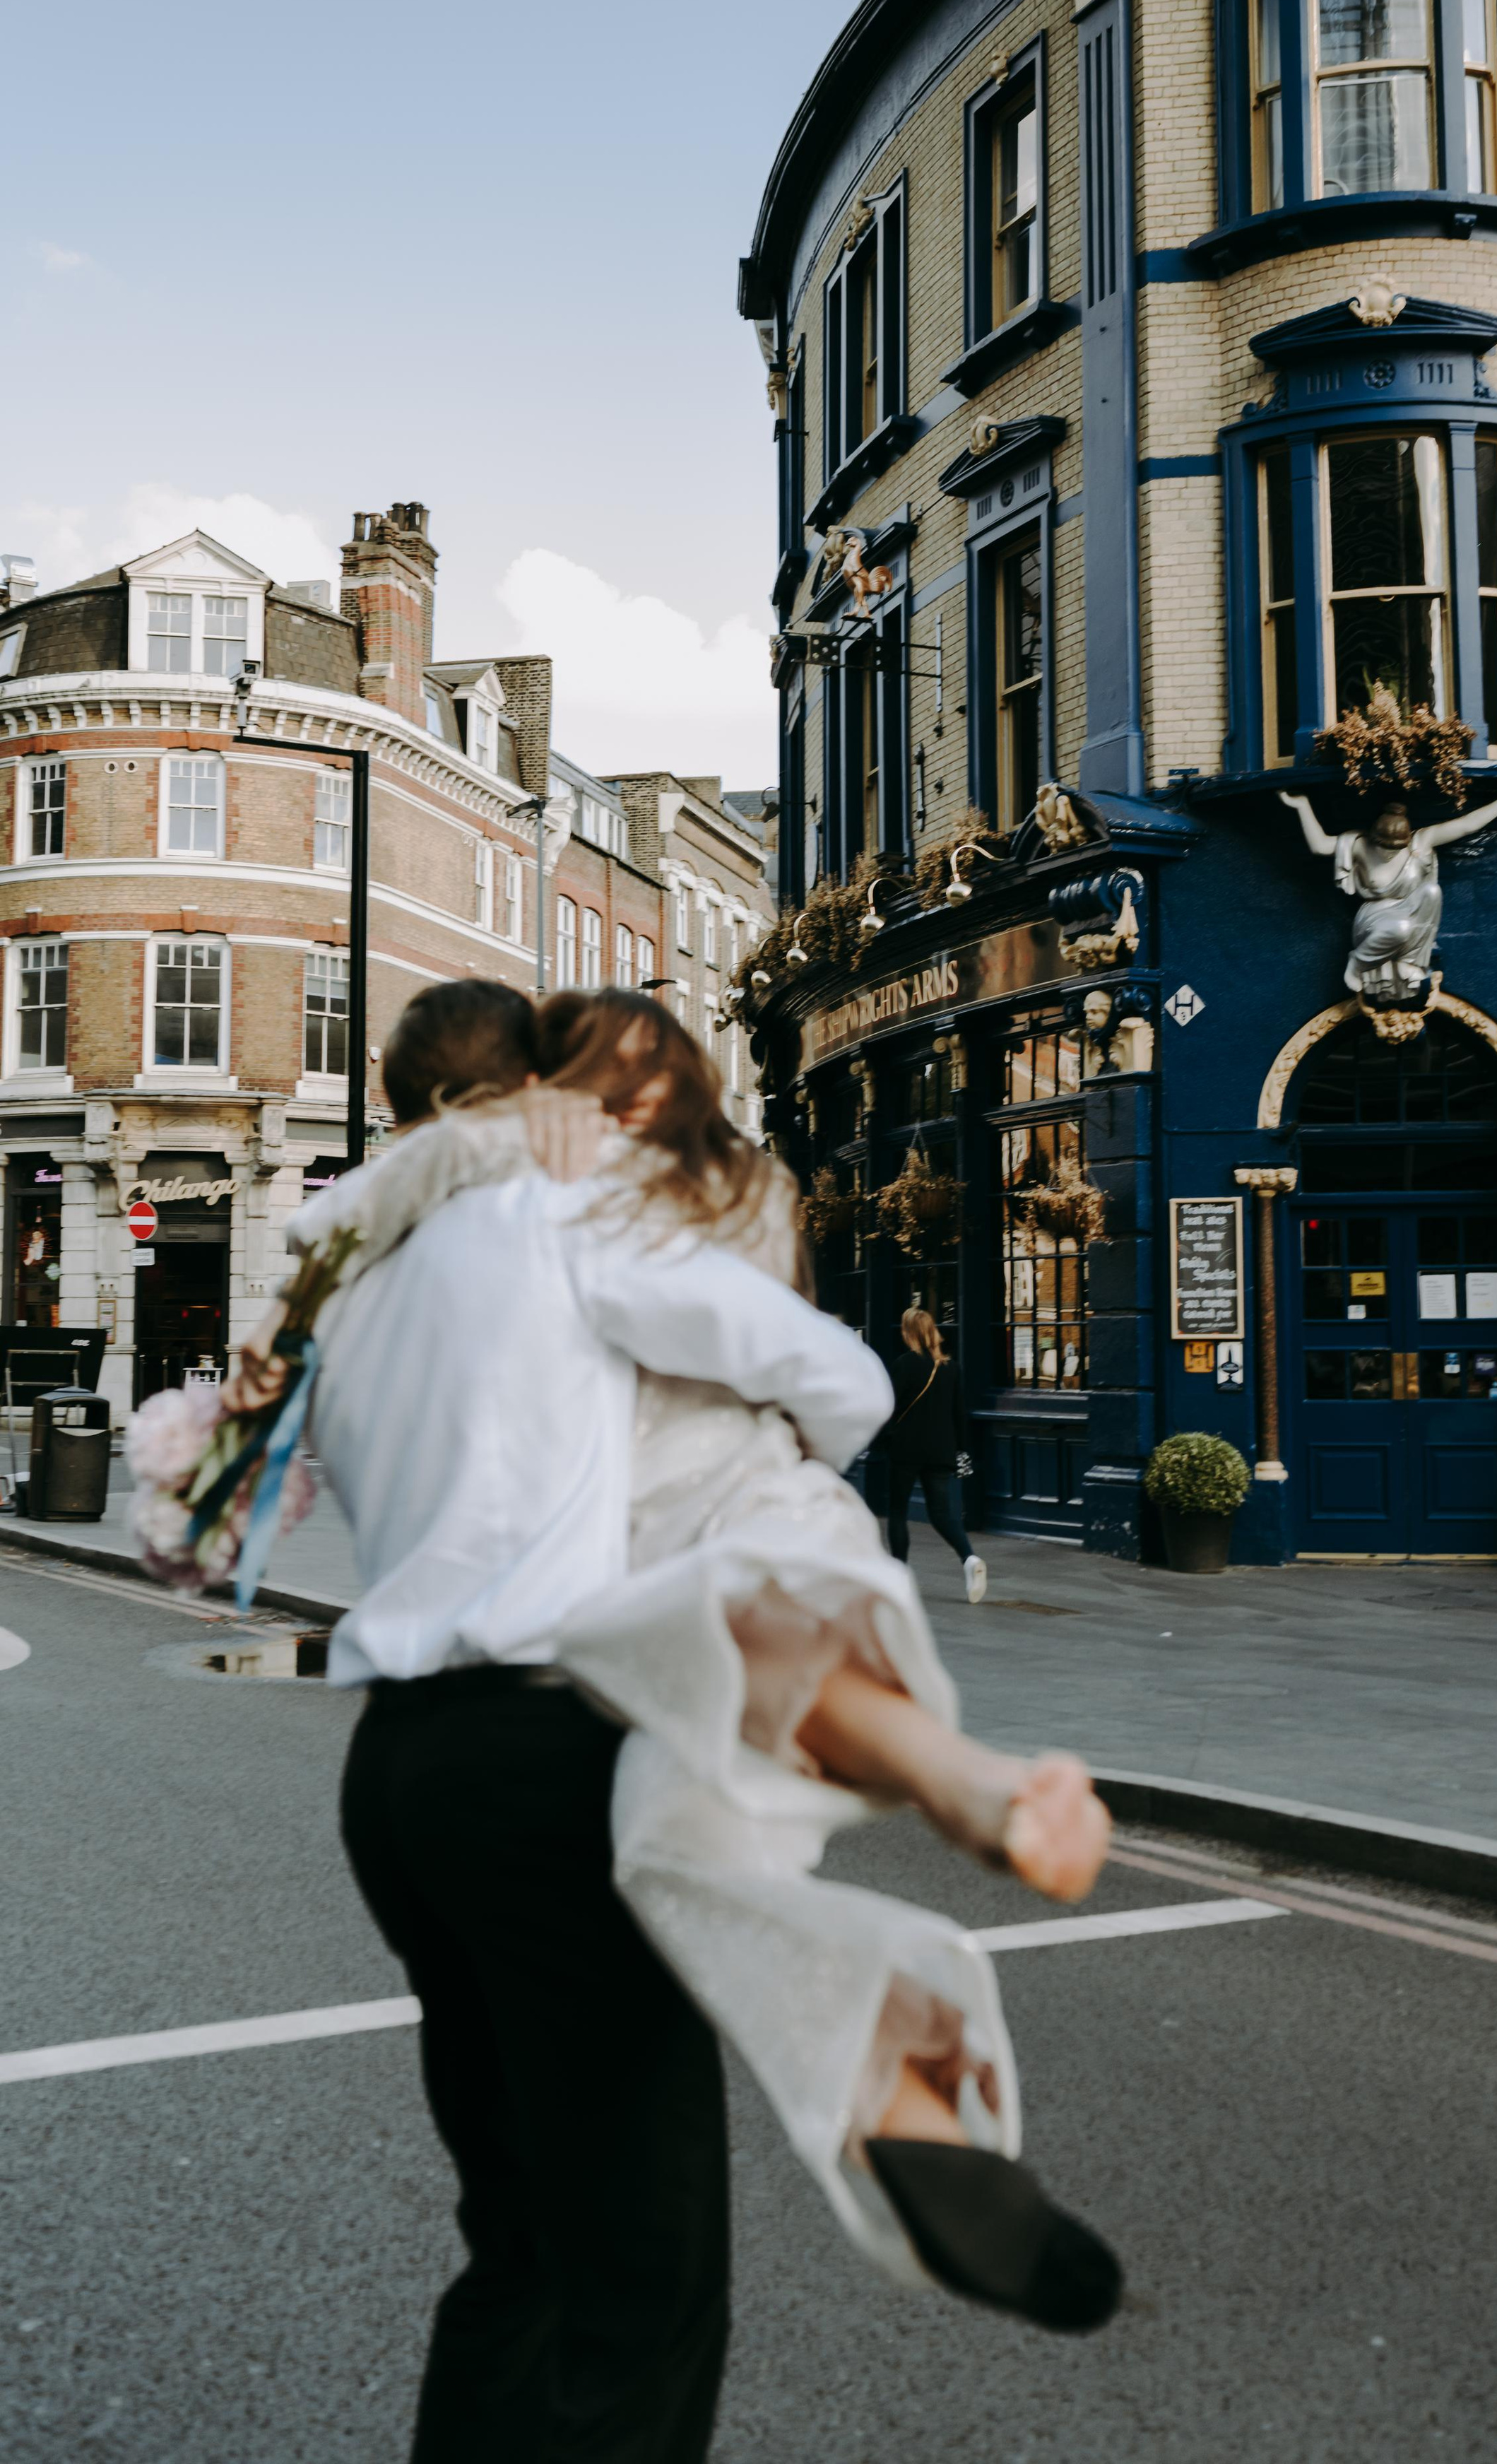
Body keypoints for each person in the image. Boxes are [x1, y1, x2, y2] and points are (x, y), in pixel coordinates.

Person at [279, 984, 1118, 2461]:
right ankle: (934, 1937)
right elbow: (840, 1372)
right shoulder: (571, 1218)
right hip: (557, 1731)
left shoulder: (357, 1283)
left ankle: (905, 2052)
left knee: (519, 2243)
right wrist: (788, 1427)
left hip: (400, 1771)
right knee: (640, 2281)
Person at [879, 1304, 985, 1603]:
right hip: (941, 1449)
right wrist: (961, 1449)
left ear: (909, 1333)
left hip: (906, 1450)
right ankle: (969, 1559)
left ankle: (899, 1576)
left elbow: (888, 1407)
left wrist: (881, 1440)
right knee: (941, 1513)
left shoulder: (903, 1365)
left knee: (898, 1512)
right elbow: (958, 1414)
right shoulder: (951, 1368)